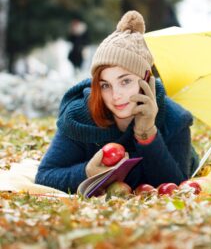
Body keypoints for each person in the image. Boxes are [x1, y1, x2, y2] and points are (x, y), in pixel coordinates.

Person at [35, 11, 199, 193]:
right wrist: (87, 172)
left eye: (125, 81)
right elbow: (45, 176)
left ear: (146, 78)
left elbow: (174, 187)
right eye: (105, 85)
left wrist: (147, 135)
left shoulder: (175, 119)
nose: (116, 95)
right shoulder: (79, 115)